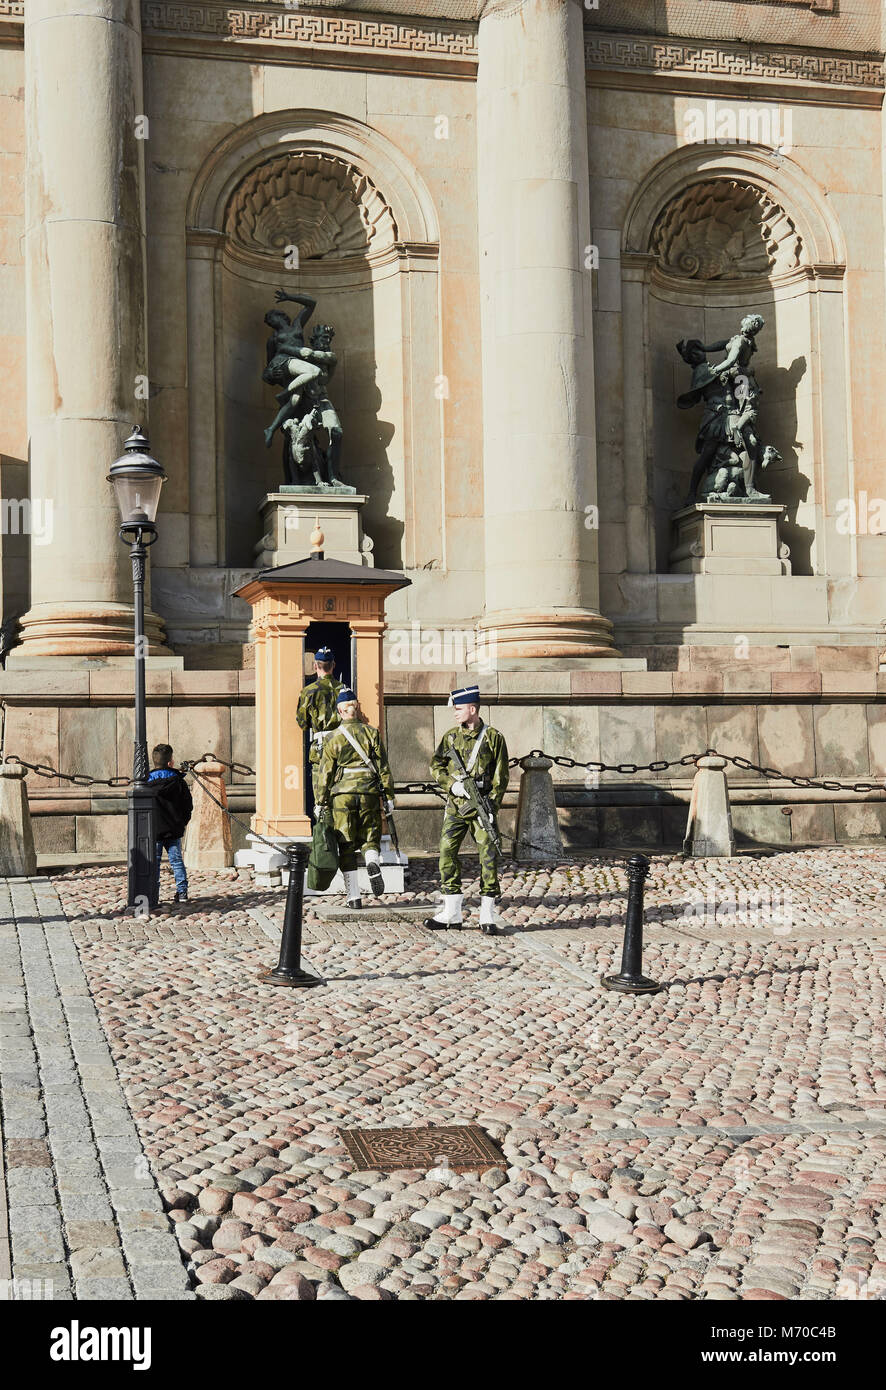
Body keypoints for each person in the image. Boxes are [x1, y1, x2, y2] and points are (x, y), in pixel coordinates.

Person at [426, 684, 509, 934]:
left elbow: (501, 776)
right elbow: (436, 765)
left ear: (473, 709)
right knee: (446, 852)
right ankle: (451, 911)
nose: (455, 713)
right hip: (457, 807)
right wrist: (452, 785)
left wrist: (492, 805)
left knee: (489, 855)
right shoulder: (451, 736)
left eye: (459, 708)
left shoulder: (494, 737)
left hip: (482, 805)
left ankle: (487, 913)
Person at [314, 687, 395, 910]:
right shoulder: (372, 733)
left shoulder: (333, 738)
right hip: (369, 792)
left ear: (340, 711)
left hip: (342, 796)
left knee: (346, 845)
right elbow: (383, 768)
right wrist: (388, 796)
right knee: (370, 836)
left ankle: (354, 897)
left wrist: (320, 802)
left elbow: (325, 774)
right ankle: (371, 862)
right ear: (356, 709)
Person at [295, 645, 343, 805]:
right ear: (334, 665)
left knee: (321, 802)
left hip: (321, 749)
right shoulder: (344, 689)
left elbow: (302, 723)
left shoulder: (309, 691)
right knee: (340, 799)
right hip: (342, 749)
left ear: (315, 666)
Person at [148, 743, 193, 904]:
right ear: (170, 762)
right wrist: (182, 822)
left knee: (154, 863)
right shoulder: (179, 782)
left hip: (154, 830)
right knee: (176, 861)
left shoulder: (146, 782)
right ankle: (182, 893)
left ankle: (154, 893)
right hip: (173, 828)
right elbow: (188, 805)